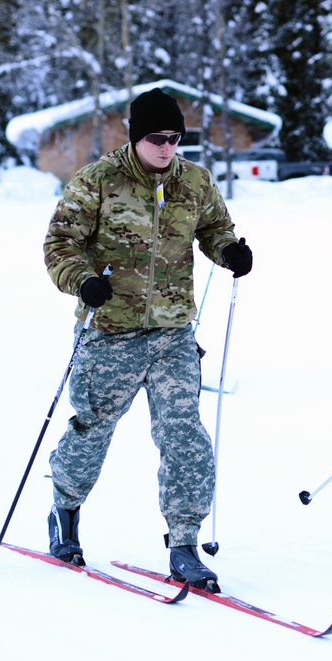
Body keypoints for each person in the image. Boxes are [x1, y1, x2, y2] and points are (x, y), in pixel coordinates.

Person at [43, 87, 253, 589]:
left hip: (173, 333)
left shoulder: (195, 181)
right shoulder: (97, 181)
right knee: (92, 430)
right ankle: (64, 511)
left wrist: (229, 251)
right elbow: (59, 244)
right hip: (110, 331)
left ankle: (184, 544)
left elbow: (215, 228)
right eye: (157, 138)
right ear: (136, 136)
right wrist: (83, 280)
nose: (167, 148)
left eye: (176, 139)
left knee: (185, 436)